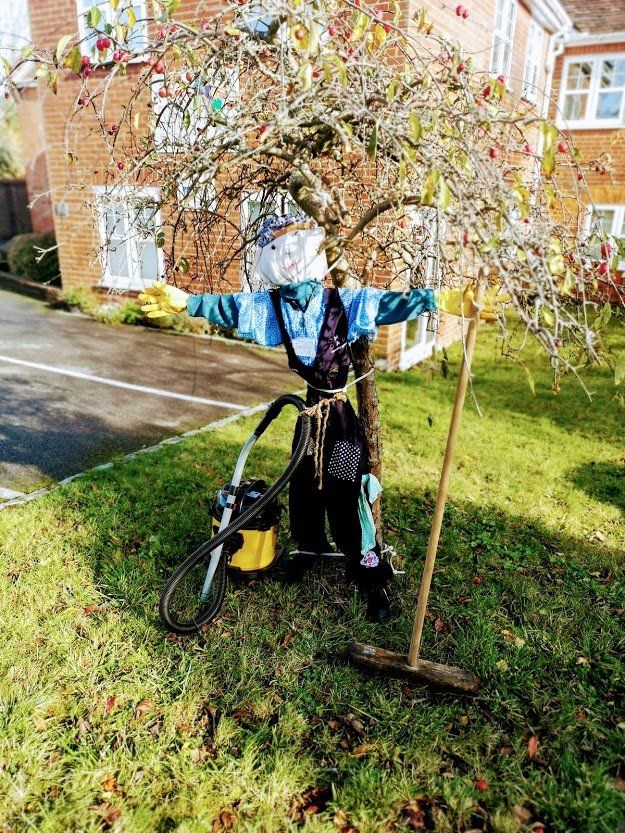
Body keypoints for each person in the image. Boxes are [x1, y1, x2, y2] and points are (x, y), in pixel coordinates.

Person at [139, 214, 499, 621]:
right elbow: (234, 307)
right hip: (308, 416)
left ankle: (371, 577)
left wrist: (438, 300)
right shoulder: (274, 307)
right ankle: (309, 548)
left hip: (340, 419)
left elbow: (386, 304)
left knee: (346, 492)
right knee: (303, 487)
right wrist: (189, 303)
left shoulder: (343, 302)